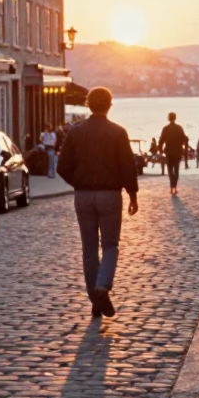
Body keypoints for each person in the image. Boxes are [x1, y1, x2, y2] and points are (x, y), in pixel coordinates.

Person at [57, 86, 138, 318]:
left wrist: (79, 183)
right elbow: (127, 168)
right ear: (109, 105)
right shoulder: (118, 132)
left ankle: (96, 300)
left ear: (88, 104)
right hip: (110, 195)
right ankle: (103, 286)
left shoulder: (75, 131)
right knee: (110, 244)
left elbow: (62, 166)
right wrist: (132, 195)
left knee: (89, 249)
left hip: (83, 195)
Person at [158, 112, 188, 194]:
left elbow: (161, 141)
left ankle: (172, 186)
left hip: (169, 152)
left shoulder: (165, 129)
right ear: (175, 118)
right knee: (176, 170)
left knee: (170, 170)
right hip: (177, 151)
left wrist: (160, 151)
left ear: (168, 118)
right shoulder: (179, 128)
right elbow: (184, 139)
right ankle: (175, 186)